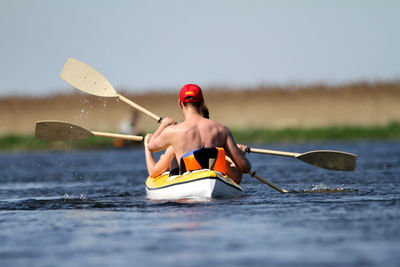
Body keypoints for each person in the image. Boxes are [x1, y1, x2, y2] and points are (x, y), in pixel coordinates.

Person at [146, 84, 251, 183]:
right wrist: (239, 154)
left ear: (180, 104)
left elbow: (151, 146)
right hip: (214, 181)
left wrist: (163, 125)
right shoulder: (222, 129)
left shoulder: (172, 131)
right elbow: (245, 167)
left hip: (188, 182)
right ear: (202, 102)